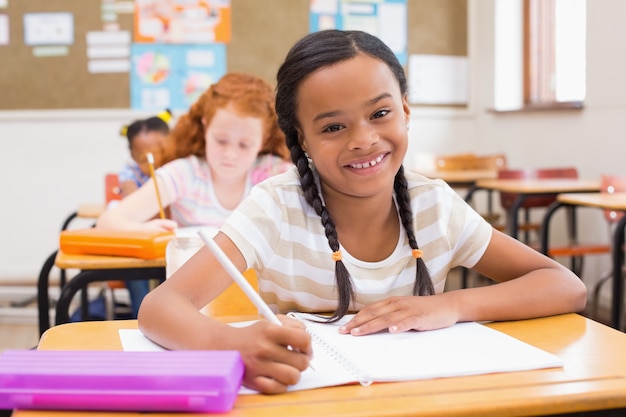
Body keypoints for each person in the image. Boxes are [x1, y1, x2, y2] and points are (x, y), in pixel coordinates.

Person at [137, 30, 587, 394]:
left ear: (405, 111)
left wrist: (452, 305)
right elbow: (160, 307)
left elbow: (563, 286)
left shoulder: (434, 206)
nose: (363, 139)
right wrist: (231, 343)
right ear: (301, 141)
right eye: (333, 126)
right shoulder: (275, 207)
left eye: (380, 113)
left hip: (421, 401)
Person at [97, 73, 292, 232]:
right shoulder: (184, 174)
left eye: (245, 144)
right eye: (221, 141)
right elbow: (107, 223)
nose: (230, 154)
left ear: (264, 138)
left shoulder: (277, 175)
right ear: (205, 127)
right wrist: (143, 230)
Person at [117, 110, 171, 199]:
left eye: (162, 152)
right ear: (133, 156)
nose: (155, 161)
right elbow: (132, 202)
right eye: (144, 159)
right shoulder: (130, 174)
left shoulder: (179, 167)